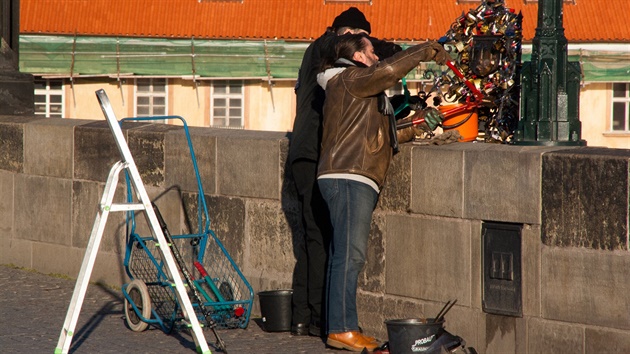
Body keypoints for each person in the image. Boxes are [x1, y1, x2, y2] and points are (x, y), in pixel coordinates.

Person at [316, 34, 449, 352]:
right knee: (350, 256)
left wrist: (417, 126)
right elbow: (388, 72)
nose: (377, 56)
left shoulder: (354, 86)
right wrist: (426, 50)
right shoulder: (350, 78)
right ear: (360, 58)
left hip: (352, 174)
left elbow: (380, 137)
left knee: (345, 255)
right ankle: (341, 329)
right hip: (349, 174)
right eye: (372, 52)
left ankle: (344, 326)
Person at [287, 7, 400, 338]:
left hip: (305, 151)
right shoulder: (326, 48)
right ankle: (325, 319)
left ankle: (302, 317)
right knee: (323, 237)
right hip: (316, 151)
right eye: (360, 39)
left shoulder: (320, 54)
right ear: (348, 35)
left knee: (312, 235)